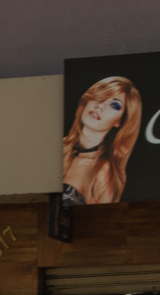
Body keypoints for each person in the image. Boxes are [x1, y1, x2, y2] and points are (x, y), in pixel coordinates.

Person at [61, 76, 143, 205]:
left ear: (120, 121)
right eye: (101, 97)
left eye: (114, 105)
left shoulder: (105, 172)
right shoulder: (56, 147)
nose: (100, 106)